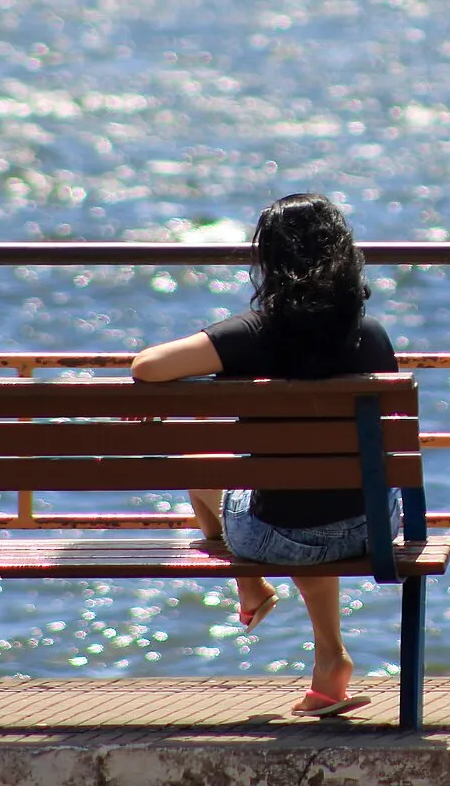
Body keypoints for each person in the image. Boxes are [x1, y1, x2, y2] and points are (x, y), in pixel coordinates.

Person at [132, 192, 396, 718]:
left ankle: (249, 585)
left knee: (211, 467)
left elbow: (146, 367)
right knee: (312, 496)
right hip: (371, 528)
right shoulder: (370, 335)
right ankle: (330, 660)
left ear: (270, 258)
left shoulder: (252, 333)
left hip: (281, 538)